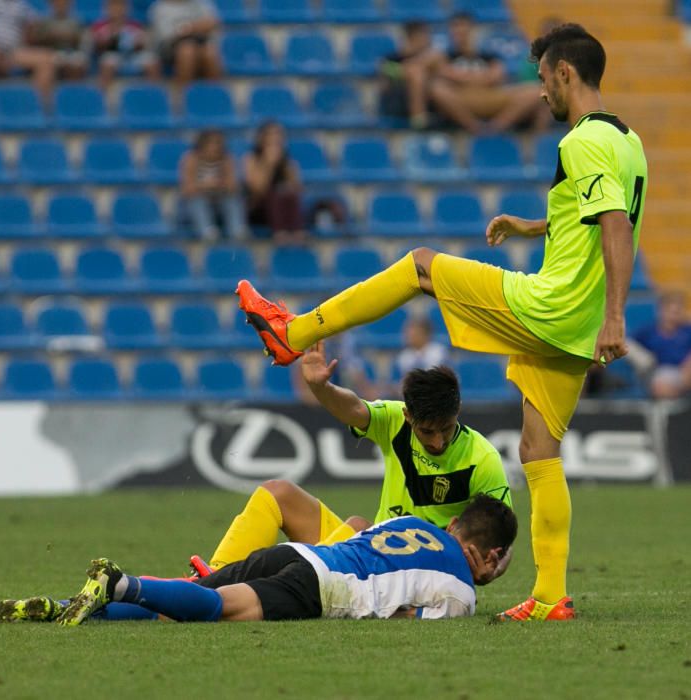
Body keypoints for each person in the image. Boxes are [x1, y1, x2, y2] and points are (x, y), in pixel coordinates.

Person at [237, 24, 648, 622]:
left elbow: (614, 224)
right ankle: (553, 597)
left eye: (541, 80)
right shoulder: (627, 140)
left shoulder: (580, 141)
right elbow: (603, 215)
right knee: (539, 450)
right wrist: (536, 228)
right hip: (577, 326)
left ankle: (293, 331)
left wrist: (618, 315)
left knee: (420, 266)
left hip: (553, 306)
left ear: (565, 73)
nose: (539, 94)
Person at [196, 354, 512, 587]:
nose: (439, 441)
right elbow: (354, 409)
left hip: (422, 574)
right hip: (371, 553)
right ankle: (214, 577)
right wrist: (322, 388)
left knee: (359, 525)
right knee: (278, 493)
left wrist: (492, 570)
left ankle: (290, 581)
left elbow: (504, 541)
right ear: (407, 416)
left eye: (446, 428)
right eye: (427, 432)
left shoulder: (482, 458)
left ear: (457, 412)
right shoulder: (394, 422)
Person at [0, 494, 518, 625]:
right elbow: (412, 623)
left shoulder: (414, 524)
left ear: (455, 526)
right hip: (325, 586)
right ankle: (120, 584)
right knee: (222, 609)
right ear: (490, 556)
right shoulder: (462, 592)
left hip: (298, 551)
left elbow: (358, 528)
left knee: (188, 605)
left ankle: (60, 607)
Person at [425, 12, 550, 133]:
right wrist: (479, 78)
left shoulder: (489, 55)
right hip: (461, 99)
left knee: (537, 90)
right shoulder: (444, 56)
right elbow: (441, 74)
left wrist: (459, 77)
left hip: (491, 96)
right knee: (437, 88)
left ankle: (497, 127)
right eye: (457, 31)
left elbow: (496, 76)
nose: (461, 35)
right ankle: (472, 126)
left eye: (465, 30)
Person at [178, 129, 247, 240]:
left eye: (218, 143)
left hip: (219, 205)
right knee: (197, 200)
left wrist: (207, 185)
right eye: (211, 143)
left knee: (232, 199)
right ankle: (207, 231)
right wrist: (211, 185)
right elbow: (187, 189)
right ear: (202, 145)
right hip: (192, 209)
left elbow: (232, 187)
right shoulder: (190, 159)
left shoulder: (227, 159)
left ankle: (237, 229)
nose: (215, 147)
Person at [244, 121, 305, 243]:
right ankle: (280, 233)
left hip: (285, 210)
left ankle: (297, 231)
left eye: (278, 134)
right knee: (274, 194)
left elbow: (298, 189)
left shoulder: (287, 161)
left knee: (287, 192)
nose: (275, 138)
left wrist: (288, 170)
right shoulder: (251, 159)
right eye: (270, 134)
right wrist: (268, 165)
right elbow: (257, 190)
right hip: (259, 210)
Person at [378, 21, 444, 129]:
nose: (428, 39)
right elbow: (384, 82)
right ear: (413, 37)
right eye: (424, 35)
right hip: (399, 100)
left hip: (430, 100)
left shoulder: (431, 58)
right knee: (417, 73)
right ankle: (418, 119)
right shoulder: (392, 58)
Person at [629, 290, 691, 399]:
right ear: (662, 310)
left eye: (678, 311)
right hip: (657, 372)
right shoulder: (649, 331)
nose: (674, 316)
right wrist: (645, 360)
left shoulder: (687, 330)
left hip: (682, 372)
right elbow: (627, 344)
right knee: (661, 385)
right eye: (672, 311)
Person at [88, 0, 161, 88]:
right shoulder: (99, 26)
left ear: (127, 8)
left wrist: (138, 44)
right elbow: (97, 46)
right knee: (108, 62)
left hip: (133, 56)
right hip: (111, 55)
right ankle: (103, 93)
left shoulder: (135, 25)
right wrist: (109, 41)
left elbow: (142, 45)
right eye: (114, 7)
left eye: (121, 6)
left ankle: (152, 94)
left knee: (152, 62)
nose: (118, 10)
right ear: (107, 9)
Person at [148, 0, 221, 85]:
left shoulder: (201, 3)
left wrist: (188, 28)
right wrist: (194, 27)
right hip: (169, 48)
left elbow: (211, 24)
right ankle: (182, 94)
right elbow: (167, 35)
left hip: (199, 42)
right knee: (187, 51)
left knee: (210, 53)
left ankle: (213, 95)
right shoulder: (159, 7)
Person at [29, 0, 87, 79]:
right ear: (52, 4)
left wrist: (72, 37)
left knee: (77, 63)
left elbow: (83, 41)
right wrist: (51, 36)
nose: (60, 6)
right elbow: (37, 41)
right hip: (50, 53)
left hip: (72, 52)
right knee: (47, 62)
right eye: (57, 3)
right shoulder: (44, 21)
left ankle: (73, 89)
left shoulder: (77, 21)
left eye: (64, 3)